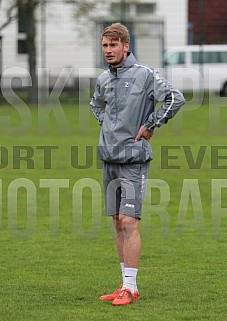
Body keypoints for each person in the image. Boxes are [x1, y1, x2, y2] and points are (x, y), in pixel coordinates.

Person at [90, 22, 185, 306]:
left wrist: (151, 123)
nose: (108, 50)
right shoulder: (104, 79)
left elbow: (174, 98)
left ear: (125, 46)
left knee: (129, 222)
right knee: (118, 224)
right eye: (105, 46)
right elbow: (96, 105)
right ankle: (125, 284)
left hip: (133, 161)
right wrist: (108, 128)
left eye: (113, 45)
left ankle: (130, 289)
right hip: (109, 159)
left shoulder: (144, 75)